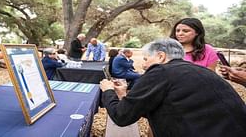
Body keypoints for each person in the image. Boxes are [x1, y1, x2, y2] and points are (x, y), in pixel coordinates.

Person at [100, 38, 246, 137]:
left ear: (161, 56)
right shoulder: (202, 71)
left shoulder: (161, 71)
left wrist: (108, 91)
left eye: (146, 59)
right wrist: (124, 96)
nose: (143, 65)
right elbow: (170, 109)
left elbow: (122, 116)